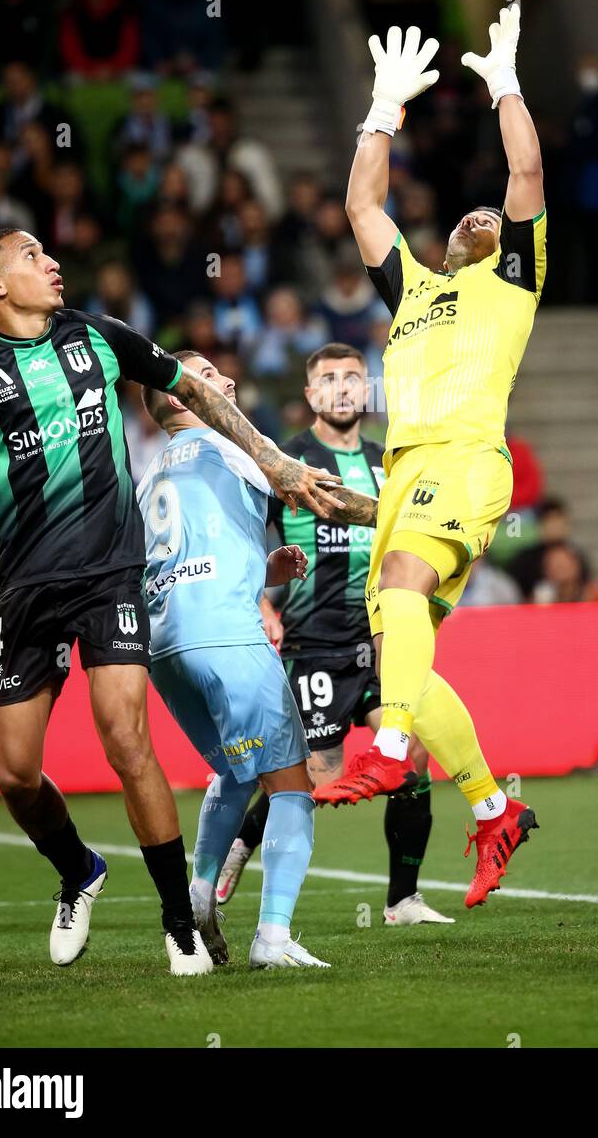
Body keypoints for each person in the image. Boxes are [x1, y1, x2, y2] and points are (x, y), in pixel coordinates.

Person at [0, 225, 344, 974]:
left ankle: (179, 922)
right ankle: (79, 871)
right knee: (16, 775)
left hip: (111, 573)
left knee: (127, 737)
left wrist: (274, 457)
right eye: (31, 256)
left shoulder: (98, 336)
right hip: (26, 586)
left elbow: (188, 389)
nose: (52, 263)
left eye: (49, 253)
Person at [312, 6, 547, 909]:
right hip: (404, 471)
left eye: (497, 218)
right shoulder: (413, 288)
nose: (487, 216)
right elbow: (361, 205)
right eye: (473, 214)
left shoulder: (514, 283)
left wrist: (504, 84)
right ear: (450, 238)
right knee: (403, 647)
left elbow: (524, 167)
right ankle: (495, 807)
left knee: (402, 602)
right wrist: (380, 108)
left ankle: (392, 747)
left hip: (467, 461)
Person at [138, 351, 382, 966]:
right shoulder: (238, 448)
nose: (228, 382)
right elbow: (325, 497)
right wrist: (410, 518)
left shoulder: (149, 473)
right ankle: (272, 937)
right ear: (180, 397)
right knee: (293, 789)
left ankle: (197, 895)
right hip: (228, 638)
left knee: (237, 771)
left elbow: (189, 555)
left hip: (165, 645)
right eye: (210, 379)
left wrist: (264, 571)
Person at [218, 343, 453, 927]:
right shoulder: (288, 462)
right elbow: (248, 537)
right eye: (329, 379)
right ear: (310, 395)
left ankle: (402, 900)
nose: (344, 387)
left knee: (413, 760)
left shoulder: (389, 462)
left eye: (354, 377)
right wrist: (261, 604)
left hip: (378, 642)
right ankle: (240, 842)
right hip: (314, 642)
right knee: (311, 779)